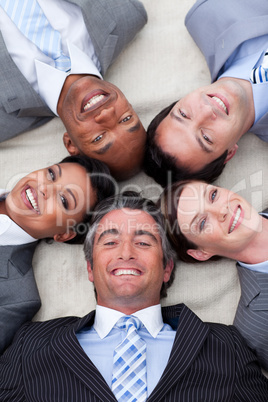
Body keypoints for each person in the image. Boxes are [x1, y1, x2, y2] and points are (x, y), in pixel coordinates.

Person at [1, 192, 268, 402]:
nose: (126, 252)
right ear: (90, 268)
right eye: (109, 242)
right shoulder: (31, 345)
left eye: (143, 242)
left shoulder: (226, 346)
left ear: (166, 268)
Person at [0, 0, 147, 180]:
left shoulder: (3, 121)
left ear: (71, 144)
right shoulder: (126, 15)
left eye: (99, 138)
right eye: (126, 118)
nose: (107, 114)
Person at [144, 0, 268, 187]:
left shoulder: (208, 15)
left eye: (184, 114)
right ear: (229, 153)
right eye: (206, 138)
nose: (207, 112)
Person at [0, 154, 115, 354]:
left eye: (63, 200)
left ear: (64, 234)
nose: (44, 188)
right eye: (52, 175)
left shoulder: (16, 299)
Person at [159, 179, 268, 371]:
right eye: (202, 223)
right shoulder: (256, 327)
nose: (222, 211)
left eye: (213, 195)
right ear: (201, 252)